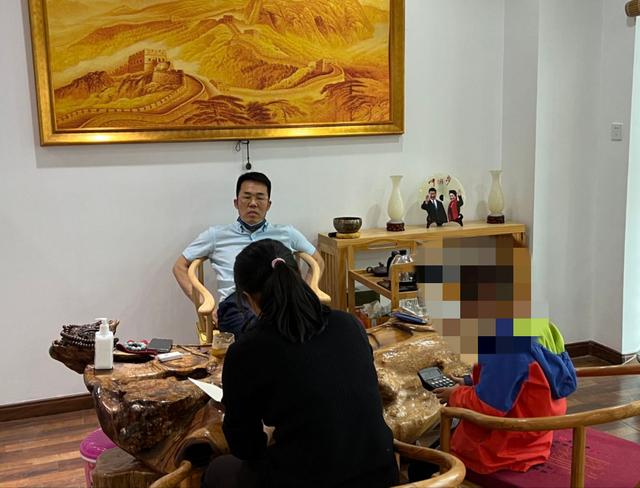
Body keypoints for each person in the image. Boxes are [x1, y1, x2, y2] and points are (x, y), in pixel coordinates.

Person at [202, 239, 399, 488]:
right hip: (381, 474)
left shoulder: (247, 351)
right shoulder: (348, 324)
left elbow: (245, 446)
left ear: (247, 298)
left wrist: (270, 434)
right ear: (298, 277)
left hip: (312, 479)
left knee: (218, 469)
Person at [173, 172, 324, 338]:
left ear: (268, 204)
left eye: (260, 198)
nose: (253, 203)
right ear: (236, 203)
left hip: (281, 296)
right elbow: (180, 266)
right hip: (237, 301)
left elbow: (317, 261)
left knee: (315, 321)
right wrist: (205, 301)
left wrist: (305, 292)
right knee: (259, 330)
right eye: (247, 197)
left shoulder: (286, 232)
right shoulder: (216, 235)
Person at [432, 322, 577, 475]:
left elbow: (487, 406)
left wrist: (454, 395)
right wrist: (470, 382)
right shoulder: (542, 326)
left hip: (505, 446)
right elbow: (526, 377)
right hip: (539, 434)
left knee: (427, 461)